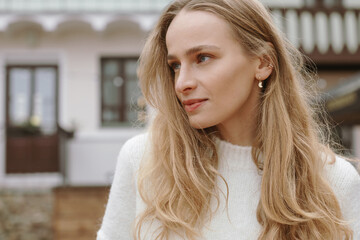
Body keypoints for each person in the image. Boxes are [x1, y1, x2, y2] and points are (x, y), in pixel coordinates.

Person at [97, 0, 360, 239]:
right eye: (175, 65)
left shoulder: (333, 181)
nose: (182, 83)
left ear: (263, 62)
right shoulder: (143, 161)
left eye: (203, 58)